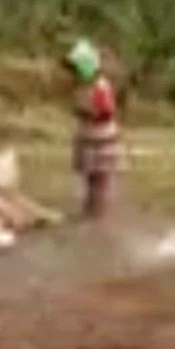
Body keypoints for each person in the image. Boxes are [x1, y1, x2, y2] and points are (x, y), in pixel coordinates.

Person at [67, 38, 122, 220]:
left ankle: (98, 216)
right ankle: (90, 214)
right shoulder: (85, 86)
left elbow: (107, 110)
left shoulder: (100, 86)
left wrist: (86, 111)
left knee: (100, 181)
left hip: (100, 138)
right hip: (89, 138)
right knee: (90, 179)